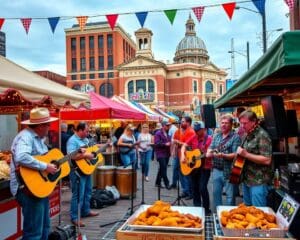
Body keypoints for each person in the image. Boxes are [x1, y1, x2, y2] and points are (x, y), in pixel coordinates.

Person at [10, 107, 58, 239]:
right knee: (34, 233)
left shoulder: (38, 138)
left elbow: (41, 158)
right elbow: (21, 157)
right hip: (27, 189)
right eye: (48, 125)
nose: (49, 128)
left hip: (38, 188)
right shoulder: (26, 137)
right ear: (41, 126)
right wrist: (45, 166)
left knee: (44, 227)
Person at [237, 110, 272, 206]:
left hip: (258, 181)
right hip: (247, 179)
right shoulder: (247, 133)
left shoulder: (262, 135)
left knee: (258, 212)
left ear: (253, 122)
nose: (242, 126)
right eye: (241, 123)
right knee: (248, 210)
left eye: (245, 123)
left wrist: (246, 154)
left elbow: (267, 160)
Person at [67, 122, 99, 227]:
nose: (88, 133)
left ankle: (86, 210)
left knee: (88, 191)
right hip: (77, 171)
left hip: (86, 169)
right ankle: (75, 217)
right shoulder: (72, 141)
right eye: (86, 131)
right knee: (78, 194)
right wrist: (85, 155)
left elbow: (90, 151)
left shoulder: (85, 140)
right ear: (80, 130)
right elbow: (71, 156)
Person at [206, 114, 241, 209]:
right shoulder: (217, 136)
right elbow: (211, 148)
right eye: (222, 123)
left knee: (230, 197)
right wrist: (209, 152)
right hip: (216, 170)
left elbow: (236, 155)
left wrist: (223, 155)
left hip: (230, 171)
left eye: (226, 123)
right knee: (216, 194)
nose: (223, 125)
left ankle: (230, 217)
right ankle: (218, 214)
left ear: (231, 124)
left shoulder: (235, 137)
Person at [187, 121, 212, 214]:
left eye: (198, 130)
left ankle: (206, 209)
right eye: (195, 130)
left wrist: (209, 154)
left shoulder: (209, 139)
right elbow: (185, 146)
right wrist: (185, 155)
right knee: (194, 187)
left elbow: (210, 152)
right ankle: (197, 207)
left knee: (202, 187)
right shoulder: (193, 137)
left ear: (204, 129)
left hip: (205, 167)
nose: (196, 132)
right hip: (194, 168)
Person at [175, 116, 195, 200]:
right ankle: (186, 191)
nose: (181, 123)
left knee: (187, 175)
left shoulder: (190, 132)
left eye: (183, 121)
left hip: (187, 156)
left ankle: (189, 192)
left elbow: (188, 145)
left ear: (188, 123)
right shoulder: (185, 131)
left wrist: (178, 142)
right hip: (181, 155)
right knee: (182, 174)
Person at [154, 120, 172, 189]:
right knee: (164, 168)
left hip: (167, 153)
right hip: (160, 153)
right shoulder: (158, 133)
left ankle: (157, 182)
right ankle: (167, 183)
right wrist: (165, 144)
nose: (168, 127)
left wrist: (170, 143)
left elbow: (169, 141)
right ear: (163, 126)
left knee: (162, 168)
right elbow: (156, 143)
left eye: (169, 125)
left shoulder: (168, 133)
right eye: (167, 125)